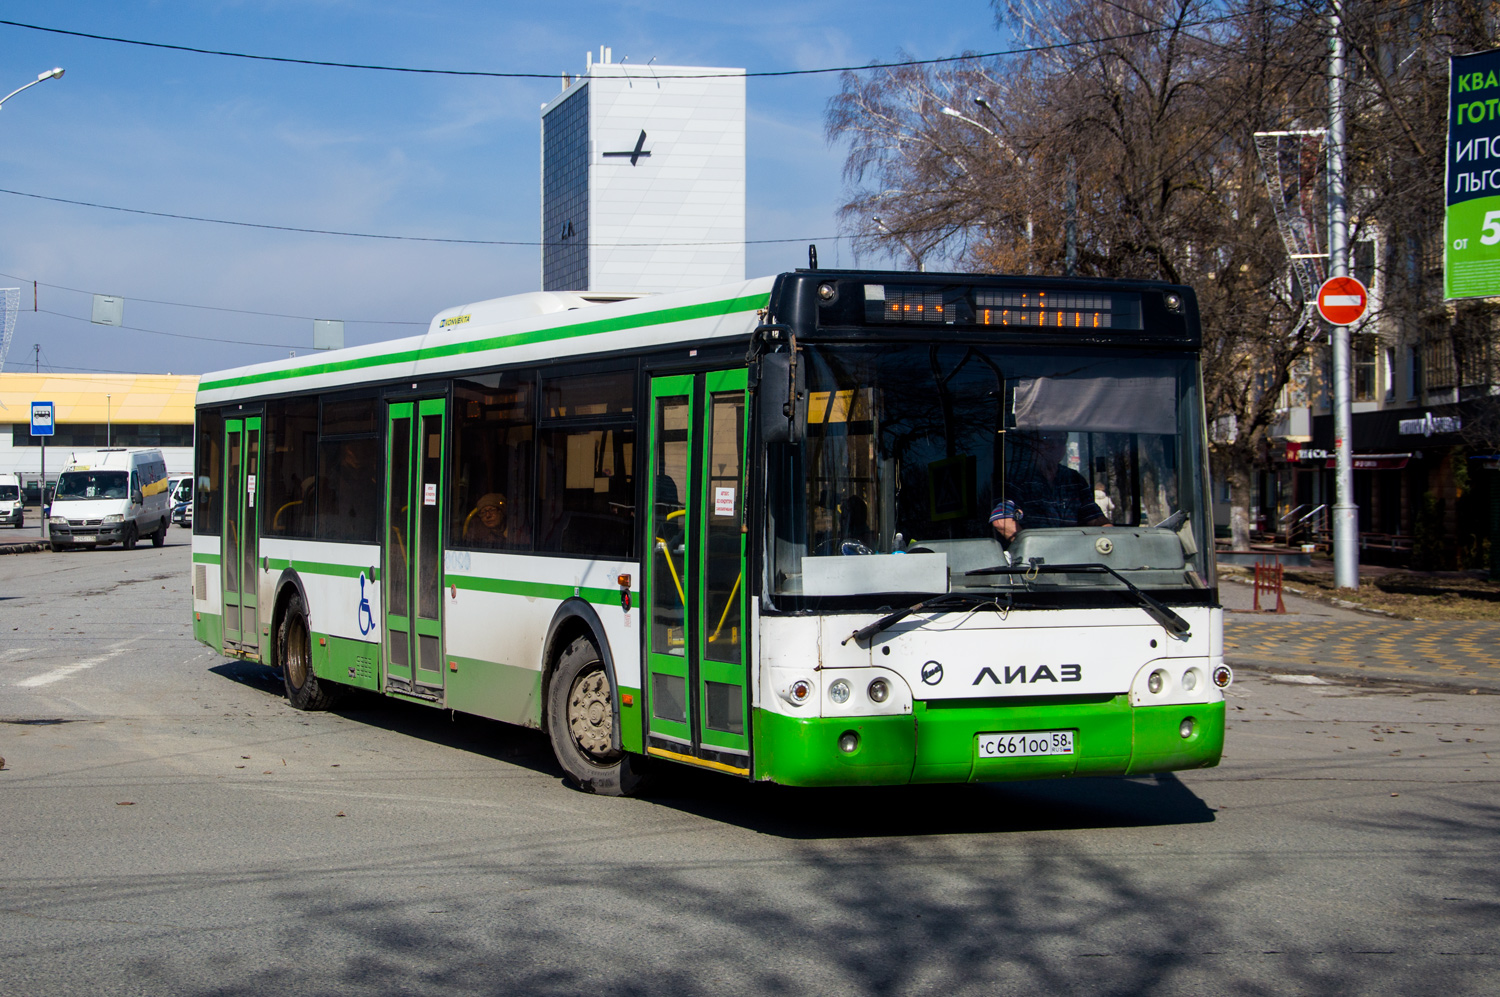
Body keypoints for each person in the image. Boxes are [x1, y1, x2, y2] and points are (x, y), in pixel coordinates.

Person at [990, 431, 1108, 541]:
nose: (1055, 445)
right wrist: (1030, 549)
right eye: (1048, 439)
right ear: (1034, 444)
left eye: (1061, 440)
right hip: (1036, 559)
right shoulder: (1017, 479)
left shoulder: (1074, 479)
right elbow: (1002, 520)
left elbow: (1097, 520)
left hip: (1075, 553)